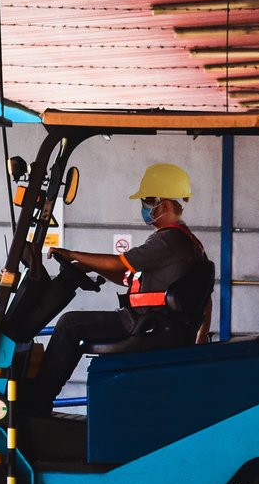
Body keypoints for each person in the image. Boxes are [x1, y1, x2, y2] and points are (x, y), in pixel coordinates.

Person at [25, 162, 212, 411]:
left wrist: (73, 254)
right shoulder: (187, 242)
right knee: (73, 326)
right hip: (158, 323)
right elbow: (125, 275)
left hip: (147, 323)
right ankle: (41, 398)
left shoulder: (168, 240)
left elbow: (118, 262)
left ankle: (36, 402)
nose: (144, 208)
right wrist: (89, 267)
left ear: (164, 205)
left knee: (70, 324)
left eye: (147, 201)